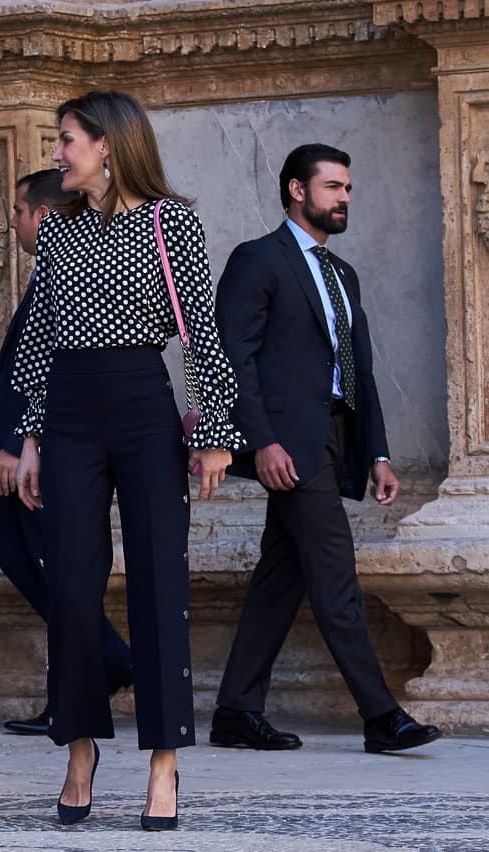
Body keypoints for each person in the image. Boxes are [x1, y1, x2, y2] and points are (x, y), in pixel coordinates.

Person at [13, 90, 241, 831]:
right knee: (71, 587)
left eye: (67, 139)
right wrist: (34, 439)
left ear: (108, 145)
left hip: (144, 404)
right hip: (71, 413)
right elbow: (41, 341)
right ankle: (80, 746)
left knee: (157, 582)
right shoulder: (59, 234)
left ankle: (165, 761)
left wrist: (213, 431)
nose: (57, 153)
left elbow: (202, 332)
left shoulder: (169, 222)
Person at [210, 143, 441, 755]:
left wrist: (379, 453)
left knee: (281, 578)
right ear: (296, 190)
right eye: (333, 187)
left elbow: (358, 369)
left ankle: (235, 712)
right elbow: (233, 358)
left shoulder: (342, 274)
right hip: (290, 444)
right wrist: (260, 441)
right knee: (334, 572)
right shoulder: (258, 260)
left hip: (336, 438)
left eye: (348, 188)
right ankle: (380, 715)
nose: (344, 198)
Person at [0, 171, 134, 737]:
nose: (13, 221)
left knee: (53, 569)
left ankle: (97, 671)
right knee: (27, 562)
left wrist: (16, 446)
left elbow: (48, 371)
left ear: (45, 217)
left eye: (20, 210)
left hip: (44, 452)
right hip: (32, 447)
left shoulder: (69, 274)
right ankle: (97, 667)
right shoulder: (51, 270)